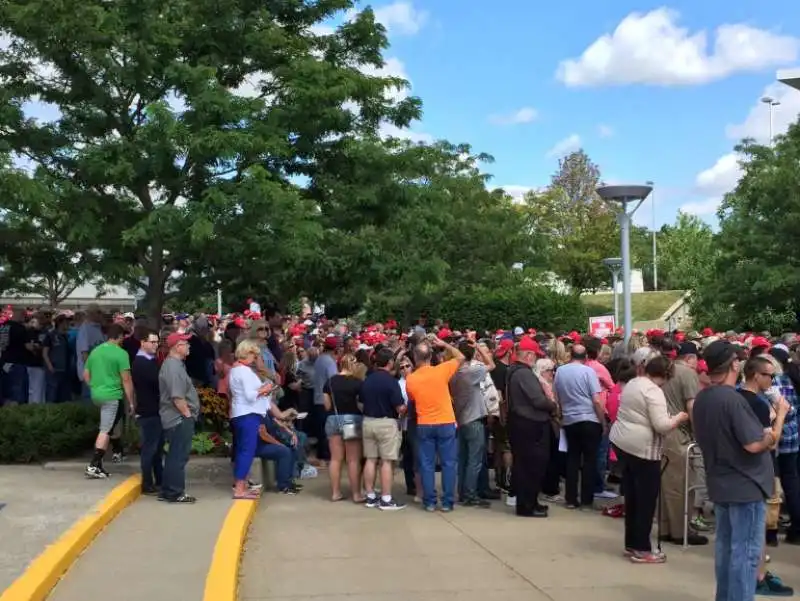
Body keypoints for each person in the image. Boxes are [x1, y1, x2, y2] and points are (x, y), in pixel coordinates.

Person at [693, 341, 783, 601]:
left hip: (721, 483)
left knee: (726, 551)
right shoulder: (731, 399)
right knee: (745, 554)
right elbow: (754, 444)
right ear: (734, 363)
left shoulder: (704, 398)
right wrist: (773, 429)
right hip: (745, 484)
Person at [609, 356, 688, 563]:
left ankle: (632, 543)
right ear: (667, 375)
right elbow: (662, 425)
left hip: (623, 442)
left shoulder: (634, 382)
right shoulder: (654, 391)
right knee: (645, 500)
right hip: (644, 449)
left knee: (633, 497)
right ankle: (642, 549)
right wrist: (678, 418)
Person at [229, 340, 298, 499]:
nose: (256, 358)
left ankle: (241, 484)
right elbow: (250, 395)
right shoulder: (244, 372)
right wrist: (265, 389)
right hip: (249, 414)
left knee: (243, 450)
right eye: (255, 354)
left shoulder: (236, 370)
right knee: (247, 450)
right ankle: (240, 488)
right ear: (248, 353)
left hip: (243, 414)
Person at [405, 336, 465, 512]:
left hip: (424, 423)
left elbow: (413, 398)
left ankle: (429, 501)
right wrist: (444, 344)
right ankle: (447, 502)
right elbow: (461, 357)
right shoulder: (441, 371)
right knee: (448, 463)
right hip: (445, 422)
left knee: (426, 464)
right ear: (430, 357)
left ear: (415, 358)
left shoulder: (411, 379)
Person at [506, 337, 556, 517]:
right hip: (530, 426)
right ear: (528, 355)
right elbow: (537, 400)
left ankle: (531, 502)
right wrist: (552, 405)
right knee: (531, 467)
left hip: (524, 424)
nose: (535, 359)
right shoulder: (523, 374)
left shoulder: (515, 371)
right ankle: (527, 506)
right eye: (535, 355)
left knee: (529, 466)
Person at [553, 344, 604, 509]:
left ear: (570, 354)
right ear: (586, 357)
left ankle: (571, 498)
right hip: (589, 418)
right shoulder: (588, 372)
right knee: (589, 460)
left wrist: (561, 414)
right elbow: (596, 400)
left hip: (570, 419)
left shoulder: (560, 371)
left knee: (573, 458)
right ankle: (586, 498)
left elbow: (557, 396)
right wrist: (602, 420)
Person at [83, 324, 134, 479]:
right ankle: (93, 464)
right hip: (112, 395)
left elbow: (86, 375)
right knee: (105, 430)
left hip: (97, 394)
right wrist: (131, 401)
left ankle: (98, 466)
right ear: (119, 336)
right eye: (123, 336)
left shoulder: (95, 351)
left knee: (109, 427)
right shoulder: (121, 354)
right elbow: (126, 379)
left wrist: (95, 387)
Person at [360, 347, 407, 510]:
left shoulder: (368, 379)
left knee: (371, 459)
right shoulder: (390, 382)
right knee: (386, 461)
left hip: (368, 421)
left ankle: (370, 496)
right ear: (389, 363)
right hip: (386, 423)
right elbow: (400, 407)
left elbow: (360, 402)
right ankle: (386, 498)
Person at [158, 332, 200, 503]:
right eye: (186, 343)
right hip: (178, 418)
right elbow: (177, 397)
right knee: (178, 456)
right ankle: (175, 492)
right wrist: (188, 415)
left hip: (176, 417)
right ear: (177, 346)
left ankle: (168, 490)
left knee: (175, 455)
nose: (189, 346)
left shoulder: (175, 365)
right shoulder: (173, 367)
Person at [322, 354, 365, 503]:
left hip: (333, 419)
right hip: (351, 420)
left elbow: (327, 405)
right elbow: (361, 405)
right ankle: (356, 494)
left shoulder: (330, 382)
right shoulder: (357, 383)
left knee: (335, 459)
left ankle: (335, 492)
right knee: (353, 460)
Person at [131, 328, 164, 495]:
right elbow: (157, 383)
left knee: (157, 448)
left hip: (154, 409)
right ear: (142, 342)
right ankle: (147, 483)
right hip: (149, 410)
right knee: (150, 449)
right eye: (152, 342)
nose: (155, 345)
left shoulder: (150, 360)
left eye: (157, 342)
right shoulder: (142, 362)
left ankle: (159, 479)